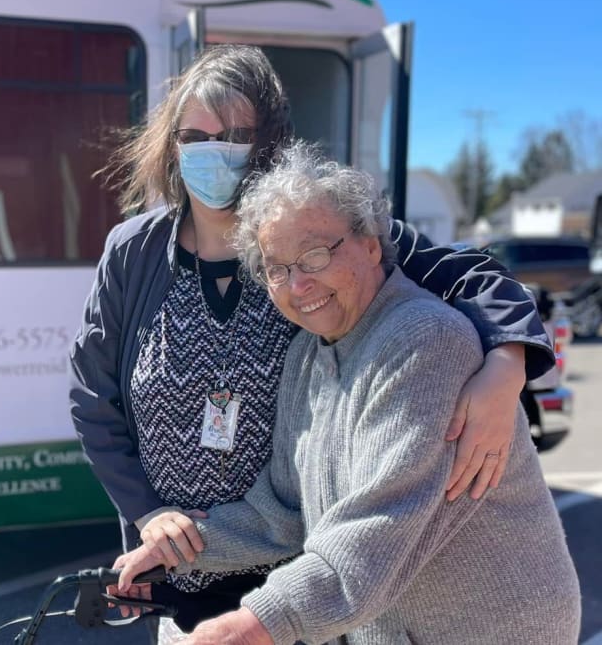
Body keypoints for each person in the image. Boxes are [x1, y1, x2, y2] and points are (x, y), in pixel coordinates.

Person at [68, 44, 555, 638]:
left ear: (269, 141)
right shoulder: (135, 252)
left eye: (236, 134)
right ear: (171, 143)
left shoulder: (315, 226)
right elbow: (93, 396)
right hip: (190, 557)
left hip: (301, 583)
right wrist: (150, 517)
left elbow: (473, 275)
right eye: (194, 135)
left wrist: (506, 367)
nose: (298, 281)